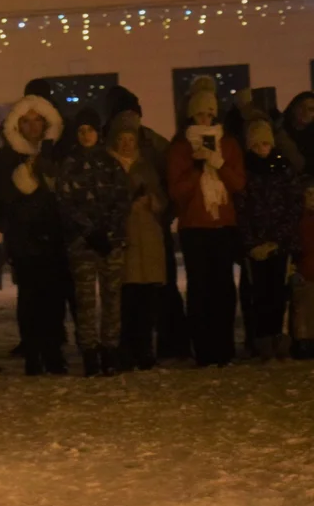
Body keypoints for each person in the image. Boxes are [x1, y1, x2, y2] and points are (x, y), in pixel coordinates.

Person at [104, 85, 189, 360]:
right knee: (129, 292)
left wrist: (162, 213)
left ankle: (169, 342)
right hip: (127, 231)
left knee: (161, 288)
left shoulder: (152, 144)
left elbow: (169, 180)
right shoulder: (111, 149)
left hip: (153, 228)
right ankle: (134, 345)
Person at [168, 81, 246, 367]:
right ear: (191, 115)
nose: (205, 119)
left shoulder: (228, 144)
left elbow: (239, 184)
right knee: (200, 290)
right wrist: (198, 169)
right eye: (200, 114)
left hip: (223, 226)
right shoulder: (180, 147)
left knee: (224, 289)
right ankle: (203, 348)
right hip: (195, 228)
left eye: (209, 114)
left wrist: (219, 164)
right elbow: (176, 192)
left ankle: (223, 348)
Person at [0, 93, 68, 376]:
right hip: (24, 239)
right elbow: (2, 197)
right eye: (27, 121)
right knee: (30, 299)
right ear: (18, 125)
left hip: (55, 237)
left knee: (54, 299)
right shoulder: (7, 157)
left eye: (38, 121)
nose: (33, 126)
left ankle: (53, 352)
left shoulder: (55, 153)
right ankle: (34, 354)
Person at [57, 108, 131, 377]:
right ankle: (89, 351)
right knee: (86, 300)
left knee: (112, 298)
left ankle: (110, 349)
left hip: (111, 241)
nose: (86, 135)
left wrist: (109, 232)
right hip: (82, 243)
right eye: (82, 130)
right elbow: (65, 203)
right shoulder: (70, 164)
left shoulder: (110, 163)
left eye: (90, 129)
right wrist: (89, 231)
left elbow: (122, 200)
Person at [235, 117, 302, 361]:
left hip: (279, 244)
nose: (263, 148)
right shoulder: (245, 172)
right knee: (258, 295)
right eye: (257, 145)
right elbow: (241, 210)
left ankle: (278, 339)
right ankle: (261, 341)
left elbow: (293, 207)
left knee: (279, 293)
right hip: (255, 247)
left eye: (266, 143)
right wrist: (252, 244)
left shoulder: (283, 169)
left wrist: (278, 240)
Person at [109, 112, 168, 371]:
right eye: (121, 139)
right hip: (126, 239)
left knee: (147, 300)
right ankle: (126, 350)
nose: (125, 144)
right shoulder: (109, 167)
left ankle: (144, 349)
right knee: (127, 298)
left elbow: (163, 200)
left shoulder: (146, 166)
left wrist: (154, 202)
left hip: (149, 238)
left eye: (129, 139)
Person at [292, 179, 314, 359]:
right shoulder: (299, 219)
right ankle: (304, 343)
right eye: (309, 194)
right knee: (304, 306)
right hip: (305, 270)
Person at [282, 91, 314, 173]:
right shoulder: (281, 129)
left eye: (311, 109)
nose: (304, 112)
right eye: (300, 107)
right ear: (293, 108)